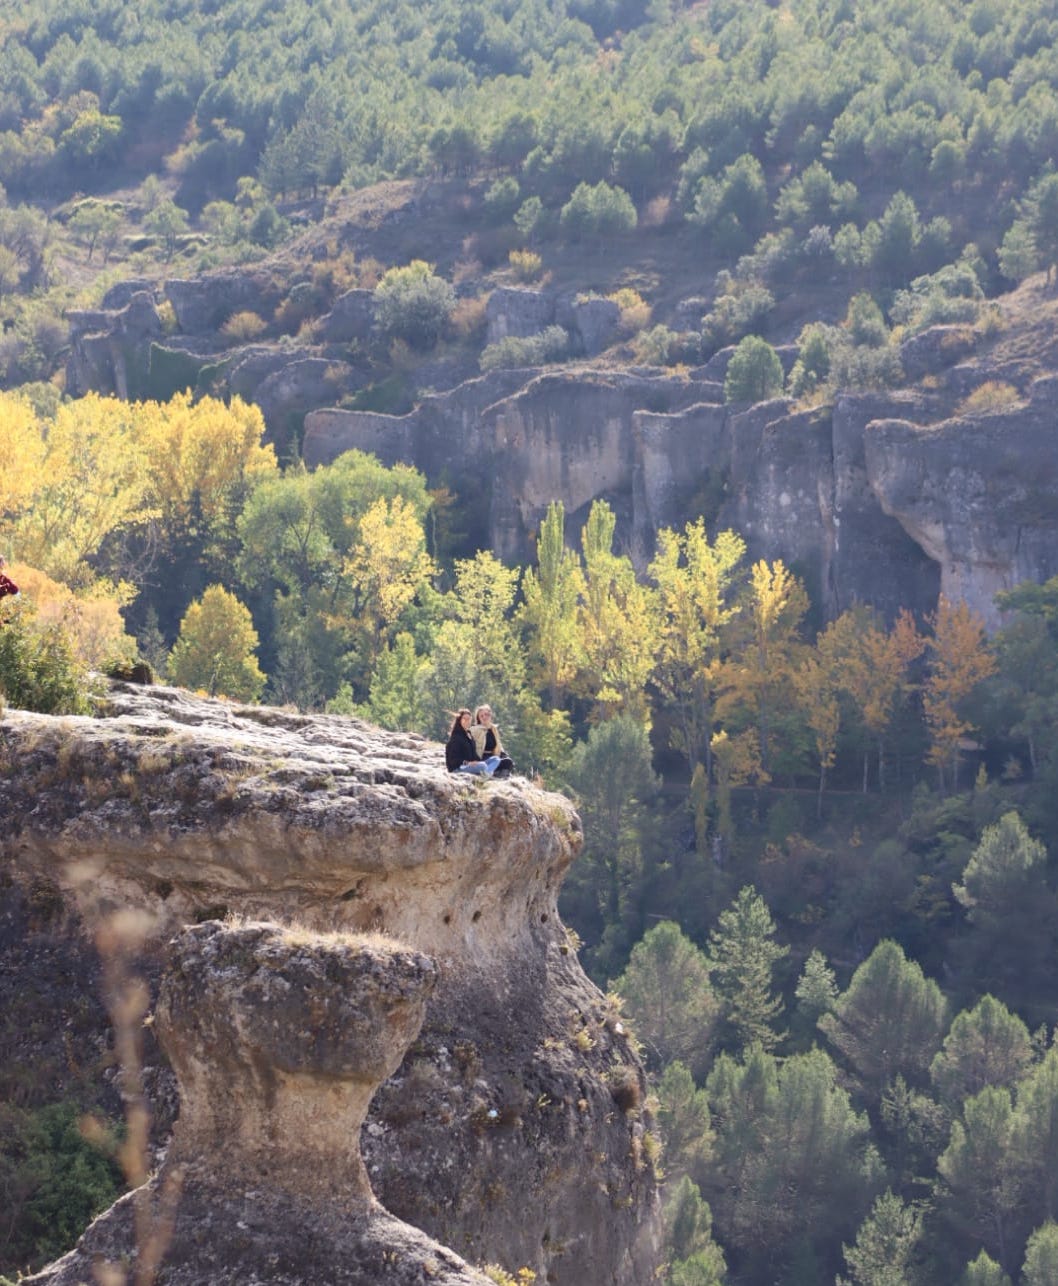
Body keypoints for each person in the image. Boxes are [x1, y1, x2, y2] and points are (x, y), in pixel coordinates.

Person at [445, 708, 498, 776]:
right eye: (464, 719)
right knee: (482, 766)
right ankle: (486, 775)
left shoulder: (469, 734)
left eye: (469, 719)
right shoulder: (456, 737)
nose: (467, 721)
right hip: (458, 768)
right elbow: (453, 760)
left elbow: (474, 754)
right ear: (459, 720)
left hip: (470, 764)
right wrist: (468, 763)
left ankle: (486, 773)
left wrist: (478, 761)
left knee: (495, 759)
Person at [471, 705, 514, 778]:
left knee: (508, 762)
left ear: (490, 716)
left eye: (486, 715)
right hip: (481, 758)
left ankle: (496, 772)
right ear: (478, 718)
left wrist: (503, 754)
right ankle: (490, 773)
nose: (484, 717)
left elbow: (498, 745)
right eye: (481, 716)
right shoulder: (475, 730)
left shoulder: (493, 729)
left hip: (493, 756)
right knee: (491, 763)